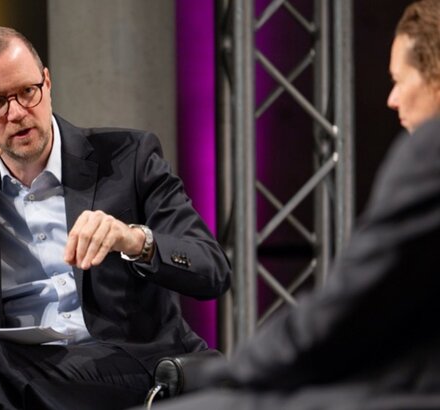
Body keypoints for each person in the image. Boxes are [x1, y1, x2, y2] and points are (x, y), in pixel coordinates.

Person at [135, 0, 440, 409]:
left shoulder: (430, 152)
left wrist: (231, 371)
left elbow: (348, 308)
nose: (392, 98)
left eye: (399, 80)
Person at [0, 25, 231, 410]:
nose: (17, 113)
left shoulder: (129, 157)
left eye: (27, 91)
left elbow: (212, 270)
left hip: (124, 361)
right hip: (18, 367)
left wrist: (135, 240)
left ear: (47, 82)